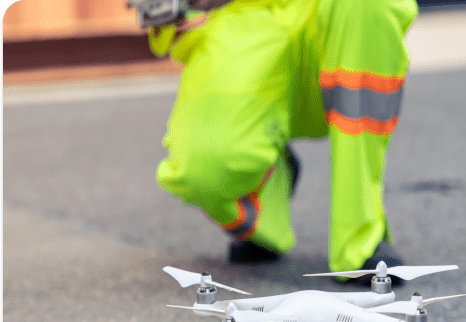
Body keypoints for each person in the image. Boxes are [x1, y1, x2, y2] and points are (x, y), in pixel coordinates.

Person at [148, 0, 417, 276]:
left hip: (331, 15)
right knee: (203, 168)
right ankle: (267, 198)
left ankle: (361, 238)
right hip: (239, 16)